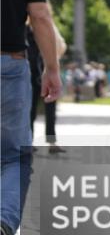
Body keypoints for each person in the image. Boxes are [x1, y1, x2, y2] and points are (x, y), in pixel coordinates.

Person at [1, 0, 62, 235]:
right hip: (8, 65)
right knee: (14, 158)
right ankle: (3, 223)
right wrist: (51, 68)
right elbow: (39, 14)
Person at [27, 23, 67, 154]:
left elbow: (61, 46)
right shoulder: (31, 29)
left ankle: (46, 142)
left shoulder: (44, 27)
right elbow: (61, 46)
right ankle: (36, 142)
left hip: (40, 73)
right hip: (36, 74)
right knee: (34, 111)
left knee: (38, 111)